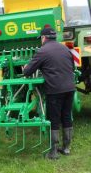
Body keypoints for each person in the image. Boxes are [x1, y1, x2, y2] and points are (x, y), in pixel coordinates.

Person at [23, 27, 75, 160]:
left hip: (55, 90)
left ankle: (53, 152)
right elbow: (72, 67)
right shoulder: (65, 48)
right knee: (66, 116)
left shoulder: (42, 51)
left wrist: (25, 68)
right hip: (70, 88)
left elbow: (28, 71)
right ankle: (67, 147)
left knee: (54, 119)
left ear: (43, 38)